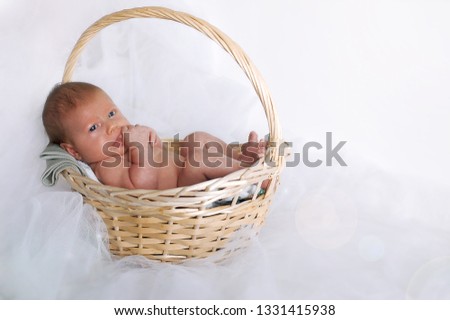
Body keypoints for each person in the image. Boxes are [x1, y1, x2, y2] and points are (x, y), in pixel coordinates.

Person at [42, 82, 266, 190]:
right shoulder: (105, 165)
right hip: (180, 191)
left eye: (112, 114)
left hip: (181, 170)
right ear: (74, 152)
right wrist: (141, 148)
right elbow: (143, 184)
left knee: (195, 139)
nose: (112, 127)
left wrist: (150, 138)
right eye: (94, 128)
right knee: (197, 161)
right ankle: (251, 177)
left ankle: (241, 160)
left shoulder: (125, 140)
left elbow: (160, 151)